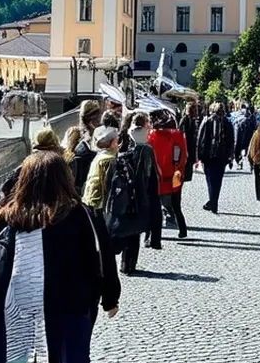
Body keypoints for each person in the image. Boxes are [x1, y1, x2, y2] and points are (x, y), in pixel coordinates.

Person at [0, 149, 120, 363]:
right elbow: (101, 258)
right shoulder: (81, 214)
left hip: (12, 304)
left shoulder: (6, 215)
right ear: (65, 178)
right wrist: (110, 297)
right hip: (70, 302)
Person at [117, 112, 160, 270]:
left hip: (125, 190)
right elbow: (150, 174)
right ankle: (130, 264)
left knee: (128, 226)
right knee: (135, 229)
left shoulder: (124, 138)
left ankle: (124, 262)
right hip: (140, 191)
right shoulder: (145, 147)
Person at [148, 110, 189, 241]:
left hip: (157, 176)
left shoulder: (152, 136)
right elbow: (183, 157)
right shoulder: (178, 136)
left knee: (154, 207)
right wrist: (179, 169)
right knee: (176, 205)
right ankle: (182, 229)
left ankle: (150, 236)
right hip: (174, 175)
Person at [197, 103, 235, 214]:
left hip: (209, 155)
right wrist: (231, 156)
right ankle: (214, 203)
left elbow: (200, 139)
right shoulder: (227, 122)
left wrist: (199, 156)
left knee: (210, 180)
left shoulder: (207, 121)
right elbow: (231, 141)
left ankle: (213, 202)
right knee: (218, 181)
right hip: (222, 156)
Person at [81, 127, 120, 210]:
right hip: (100, 203)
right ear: (112, 143)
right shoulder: (108, 159)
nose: (118, 145)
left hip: (91, 200)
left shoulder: (100, 156)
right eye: (117, 142)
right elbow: (109, 185)